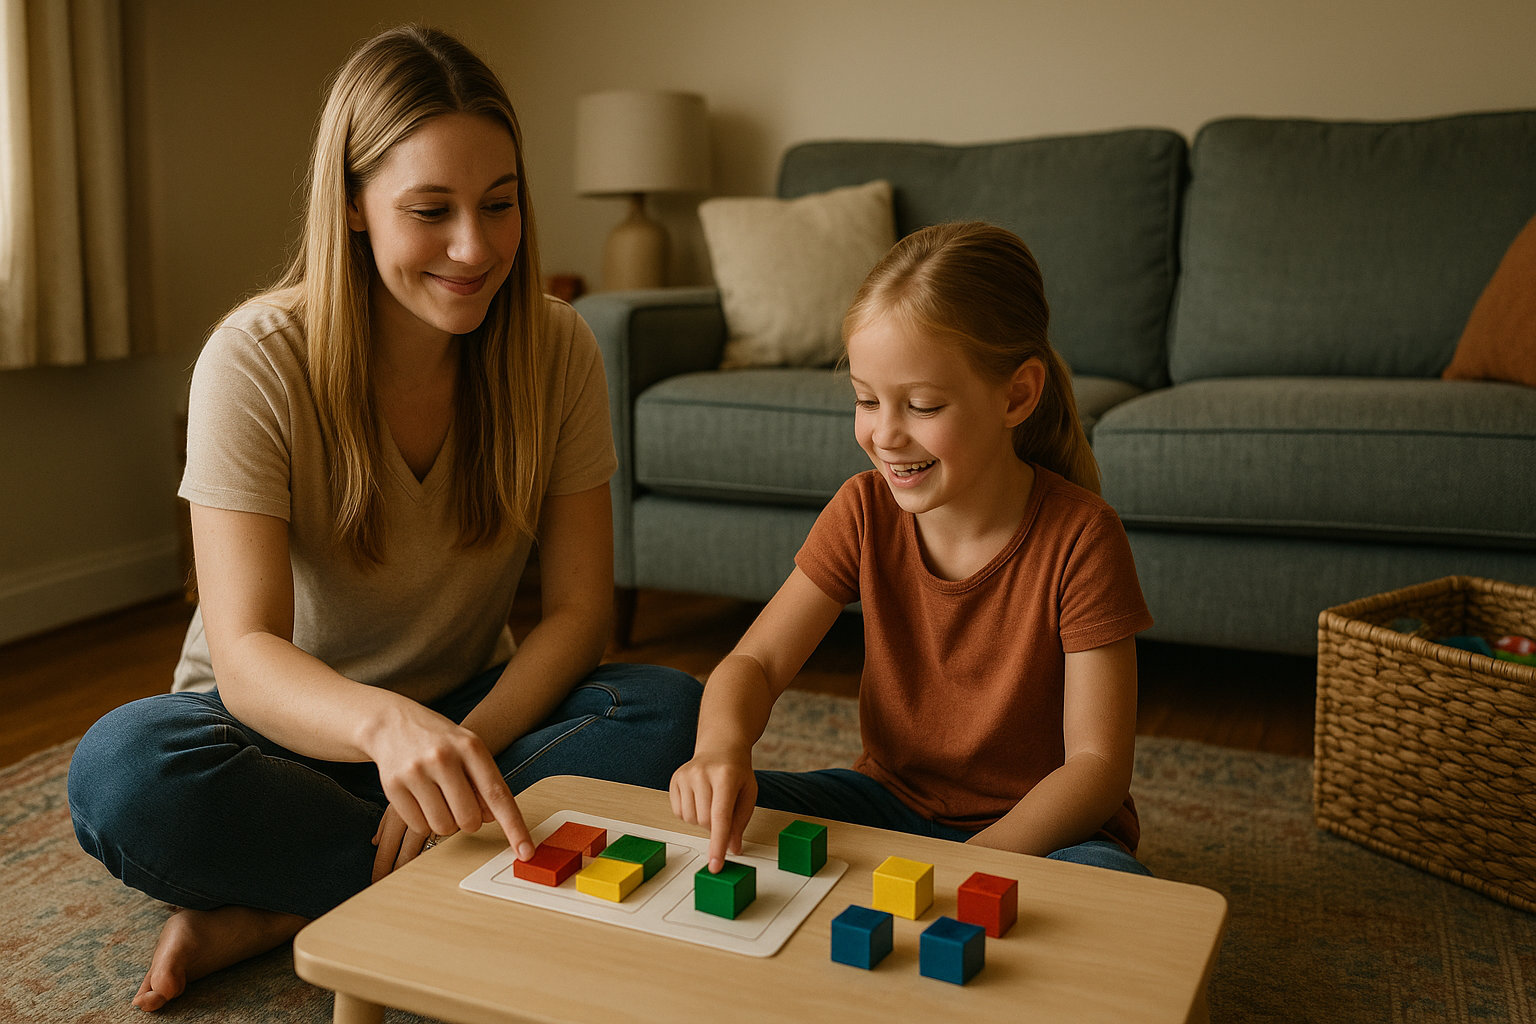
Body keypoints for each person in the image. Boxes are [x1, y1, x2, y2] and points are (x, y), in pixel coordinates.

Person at [67, 25, 701, 1012]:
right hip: (275, 736)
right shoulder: (254, 357)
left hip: (473, 714)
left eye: (500, 205)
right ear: (355, 206)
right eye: (430, 211)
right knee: (123, 772)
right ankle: (443, 867)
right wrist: (384, 728)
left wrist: (466, 748)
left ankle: (283, 904)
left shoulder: (560, 347)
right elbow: (242, 652)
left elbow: (580, 614)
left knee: (669, 712)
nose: (476, 248)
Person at [670, 221, 1155, 877]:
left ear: (1017, 395)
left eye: (922, 405)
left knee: (1116, 888)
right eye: (867, 400)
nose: (885, 434)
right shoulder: (863, 510)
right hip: (887, 804)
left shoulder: (1083, 537)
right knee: (709, 822)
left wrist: (967, 866)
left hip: (1040, 833)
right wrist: (720, 747)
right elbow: (753, 662)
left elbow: (1097, 769)